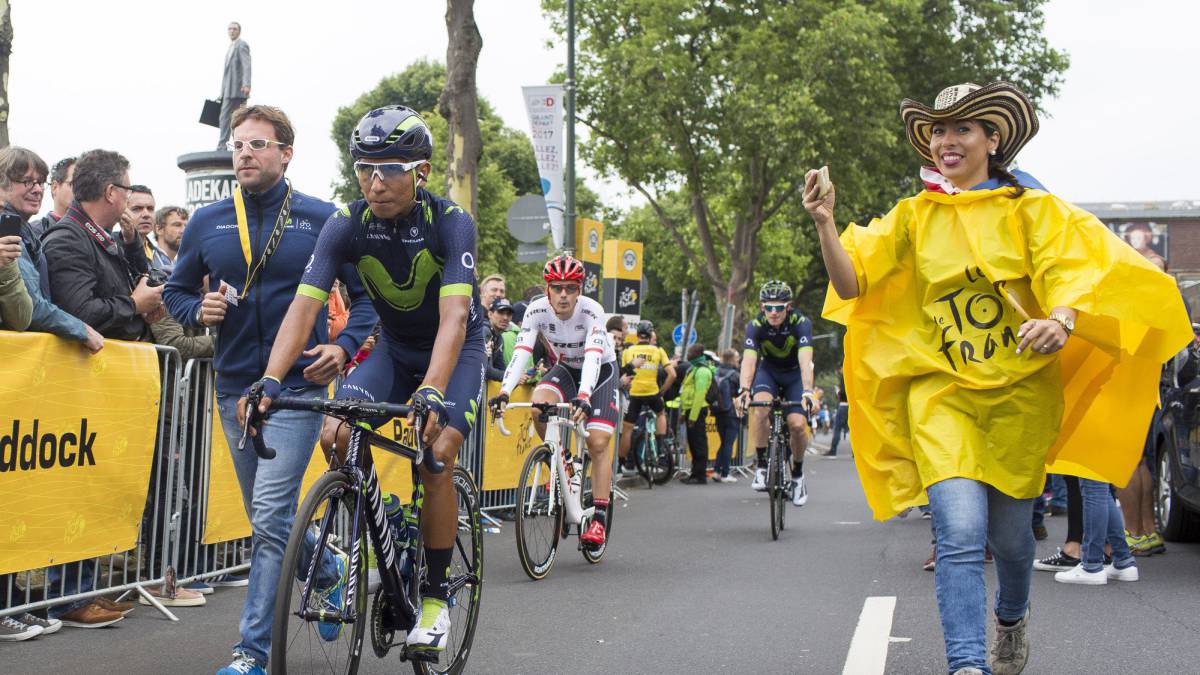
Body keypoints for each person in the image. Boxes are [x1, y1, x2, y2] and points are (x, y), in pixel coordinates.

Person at [811, 81, 1190, 675]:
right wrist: (826, 223)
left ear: (993, 139)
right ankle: (968, 665)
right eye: (938, 130)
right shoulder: (914, 216)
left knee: (1013, 543)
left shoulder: (1032, 210)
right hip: (940, 393)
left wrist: (1061, 320)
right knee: (960, 533)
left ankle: (1011, 620)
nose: (947, 140)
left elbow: (1073, 270)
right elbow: (852, 283)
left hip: (1020, 395)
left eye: (963, 128)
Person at [240, 105, 482, 659]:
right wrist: (270, 380)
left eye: (390, 168)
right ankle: (390, 522)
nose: (375, 181)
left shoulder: (450, 222)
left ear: (419, 172)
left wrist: (432, 390)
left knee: (437, 452)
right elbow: (304, 309)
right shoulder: (346, 223)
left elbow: (456, 319)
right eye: (364, 168)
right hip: (394, 353)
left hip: (455, 351)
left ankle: (437, 599)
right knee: (336, 435)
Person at [165, 104, 375, 675]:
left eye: (257, 145)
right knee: (269, 523)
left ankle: (250, 654)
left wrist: (343, 347)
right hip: (234, 385)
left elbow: (365, 299)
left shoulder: (321, 218)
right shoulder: (208, 221)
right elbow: (176, 293)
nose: (244, 154)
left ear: (286, 153)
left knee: (270, 517)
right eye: (238, 145)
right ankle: (329, 573)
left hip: (299, 386)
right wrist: (196, 307)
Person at [491, 255, 619, 549]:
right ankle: (561, 463)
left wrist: (584, 396)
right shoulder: (536, 310)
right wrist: (505, 391)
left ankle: (598, 517)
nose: (564, 294)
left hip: (599, 371)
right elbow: (522, 351)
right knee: (539, 406)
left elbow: (593, 357)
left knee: (598, 442)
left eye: (571, 288)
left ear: (580, 290)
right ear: (548, 289)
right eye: (558, 287)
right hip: (564, 368)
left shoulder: (591, 311)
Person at [41, 150, 163, 341]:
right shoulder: (66, 240)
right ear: (111, 192)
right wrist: (134, 304)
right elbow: (79, 314)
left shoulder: (100, 236)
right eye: (127, 191)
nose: (128, 198)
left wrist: (143, 311)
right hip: (89, 367)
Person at [0, 147, 103, 352]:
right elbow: (31, 309)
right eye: (27, 181)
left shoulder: (24, 231)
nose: (37, 189)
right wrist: (80, 329)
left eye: (40, 182)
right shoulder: (8, 232)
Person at [734, 280, 816, 507]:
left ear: (788, 307)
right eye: (768, 307)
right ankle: (761, 465)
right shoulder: (755, 325)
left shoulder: (801, 323)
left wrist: (808, 391)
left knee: (798, 425)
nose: (773, 312)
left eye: (779, 308)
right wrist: (744, 390)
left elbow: (805, 360)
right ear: (762, 307)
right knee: (760, 408)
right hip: (768, 373)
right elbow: (749, 361)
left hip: (794, 376)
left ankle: (798, 475)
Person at [617, 320, 676, 475]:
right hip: (652, 393)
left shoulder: (629, 351)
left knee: (628, 429)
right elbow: (672, 374)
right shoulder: (658, 351)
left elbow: (624, 374)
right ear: (650, 335)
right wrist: (662, 392)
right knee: (661, 413)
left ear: (637, 335)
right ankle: (661, 444)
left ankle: (620, 462)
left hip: (635, 394)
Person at [678, 343, 715, 484]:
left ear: (698, 354)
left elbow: (700, 395)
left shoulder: (702, 371)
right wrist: (684, 413)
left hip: (697, 411)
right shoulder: (695, 369)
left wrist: (692, 416)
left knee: (699, 443)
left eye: (690, 352)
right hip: (691, 410)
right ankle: (695, 473)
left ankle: (700, 475)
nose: (688, 355)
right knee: (693, 443)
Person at [218, 21, 252, 149]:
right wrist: (222, 92)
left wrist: (246, 84)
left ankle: (236, 144)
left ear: (239, 31)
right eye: (230, 29)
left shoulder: (241, 45)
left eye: (234, 29)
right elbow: (227, 73)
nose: (232, 31)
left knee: (239, 119)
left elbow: (246, 65)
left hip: (238, 90)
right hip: (228, 91)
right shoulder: (230, 47)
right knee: (225, 118)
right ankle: (223, 145)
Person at [712, 349, 741, 482]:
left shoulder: (716, 372)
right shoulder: (735, 375)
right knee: (728, 443)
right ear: (732, 359)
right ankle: (725, 473)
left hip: (718, 411)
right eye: (737, 358)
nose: (738, 360)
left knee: (723, 442)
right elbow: (741, 393)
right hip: (731, 412)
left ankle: (717, 471)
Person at [29, 156, 74, 239]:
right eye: (73, 184)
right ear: (54, 187)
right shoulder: (32, 233)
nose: (81, 190)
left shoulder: (99, 232)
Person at [486, 297, 517, 381]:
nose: (505, 317)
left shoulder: (499, 338)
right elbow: (484, 369)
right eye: (501, 312)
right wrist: (513, 377)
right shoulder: (484, 332)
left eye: (509, 314)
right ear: (490, 314)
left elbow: (501, 368)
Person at [151, 206, 187, 274]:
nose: (184, 230)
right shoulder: (148, 262)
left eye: (186, 226)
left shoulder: (183, 263)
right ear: (159, 229)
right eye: (177, 225)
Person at [825, 366, 850, 457]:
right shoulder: (852, 375)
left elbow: (842, 392)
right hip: (852, 406)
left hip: (843, 405)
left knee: (837, 429)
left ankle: (833, 450)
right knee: (854, 429)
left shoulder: (844, 377)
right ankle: (856, 452)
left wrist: (838, 392)